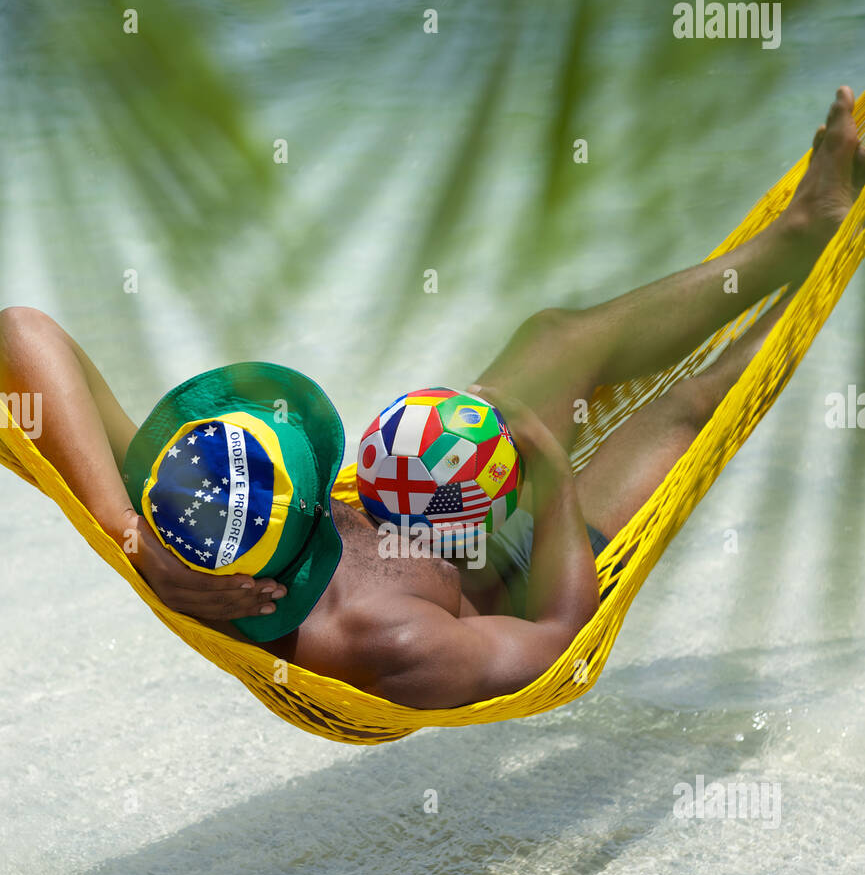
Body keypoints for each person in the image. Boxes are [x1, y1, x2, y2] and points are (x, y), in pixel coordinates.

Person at [2, 87, 863, 709]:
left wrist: (128, 537)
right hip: (527, 577)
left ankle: (799, 232)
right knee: (688, 405)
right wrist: (555, 478)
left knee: (554, 336)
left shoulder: (181, 510)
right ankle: (821, 271)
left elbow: (21, 332)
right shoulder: (387, 641)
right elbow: (554, 641)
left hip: (438, 507)